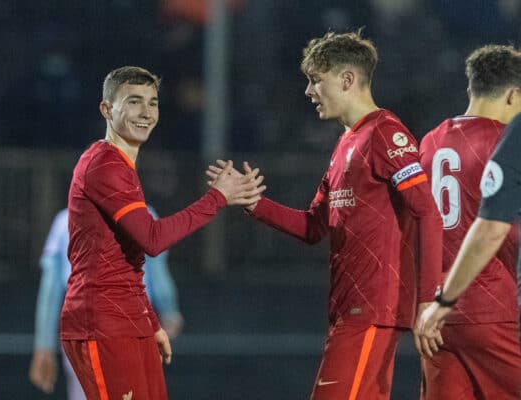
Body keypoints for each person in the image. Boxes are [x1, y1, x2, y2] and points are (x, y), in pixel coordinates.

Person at [208, 31, 443, 399]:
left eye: (316, 79)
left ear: (347, 79)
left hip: (371, 309)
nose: (308, 90)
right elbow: (314, 226)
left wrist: (430, 300)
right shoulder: (347, 142)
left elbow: (426, 212)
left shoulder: (386, 132)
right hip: (347, 310)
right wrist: (254, 202)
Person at [59, 66, 265, 400]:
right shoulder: (104, 164)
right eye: (134, 101)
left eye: (152, 103)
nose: (146, 112)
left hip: (128, 321)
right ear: (107, 110)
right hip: (101, 323)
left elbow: (129, 258)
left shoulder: (121, 165)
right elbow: (152, 240)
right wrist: (217, 198)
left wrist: (149, 321)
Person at [416, 45, 521, 399]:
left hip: (438, 313)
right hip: (495, 308)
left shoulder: (429, 142)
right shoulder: (506, 144)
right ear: (512, 95)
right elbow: (502, 231)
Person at [29, 206, 184, 399]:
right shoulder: (143, 215)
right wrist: (170, 314)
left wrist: (44, 346)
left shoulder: (65, 220)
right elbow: (159, 279)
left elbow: (50, 290)